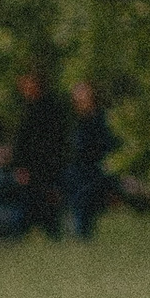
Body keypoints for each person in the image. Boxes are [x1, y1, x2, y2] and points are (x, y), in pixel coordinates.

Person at [10, 66, 69, 237]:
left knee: (46, 203)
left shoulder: (50, 109)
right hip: (32, 168)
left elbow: (50, 142)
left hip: (45, 167)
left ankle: (50, 233)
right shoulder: (28, 108)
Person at [61, 79, 113, 239]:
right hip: (79, 169)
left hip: (98, 168)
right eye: (77, 96)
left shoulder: (101, 118)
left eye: (83, 94)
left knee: (83, 191)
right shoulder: (75, 122)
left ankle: (81, 231)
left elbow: (106, 147)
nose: (80, 99)